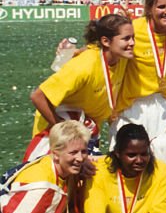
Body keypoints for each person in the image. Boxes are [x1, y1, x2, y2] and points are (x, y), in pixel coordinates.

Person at [27, 14, 135, 160]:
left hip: (86, 129)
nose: (133, 43)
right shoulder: (84, 66)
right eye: (126, 38)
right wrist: (64, 131)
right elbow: (38, 96)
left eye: (133, 37)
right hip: (55, 134)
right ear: (106, 41)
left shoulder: (121, 57)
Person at [115, 0, 166, 140]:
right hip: (132, 106)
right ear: (149, 9)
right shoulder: (133, 29)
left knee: (162, 159)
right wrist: (73, 51)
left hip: (162, 104)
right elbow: (104, 46)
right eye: (161, 7)